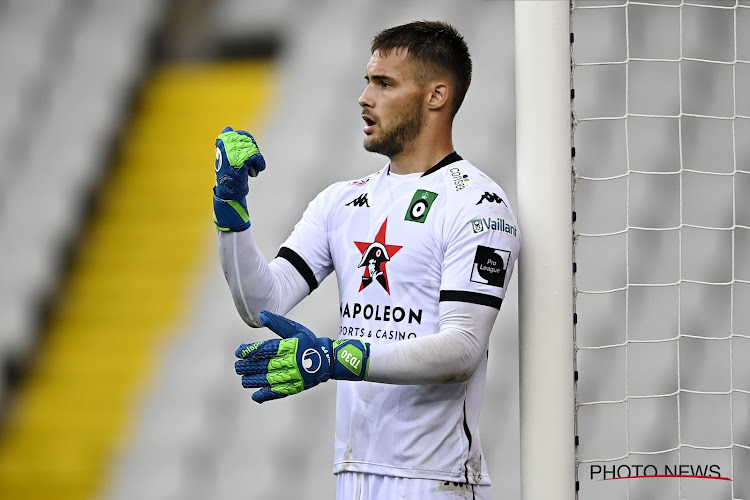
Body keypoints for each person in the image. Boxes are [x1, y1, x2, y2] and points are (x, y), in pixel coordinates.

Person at [212, 20, 520, 500]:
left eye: (384, 83)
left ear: (436, 96)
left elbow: (462, 349)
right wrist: (232, 214)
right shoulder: (341, 202)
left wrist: (339, 358)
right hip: (353, 473)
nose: (364, 97)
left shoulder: (478, 204)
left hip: (434, 478)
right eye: (366, 80)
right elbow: (262, 304)